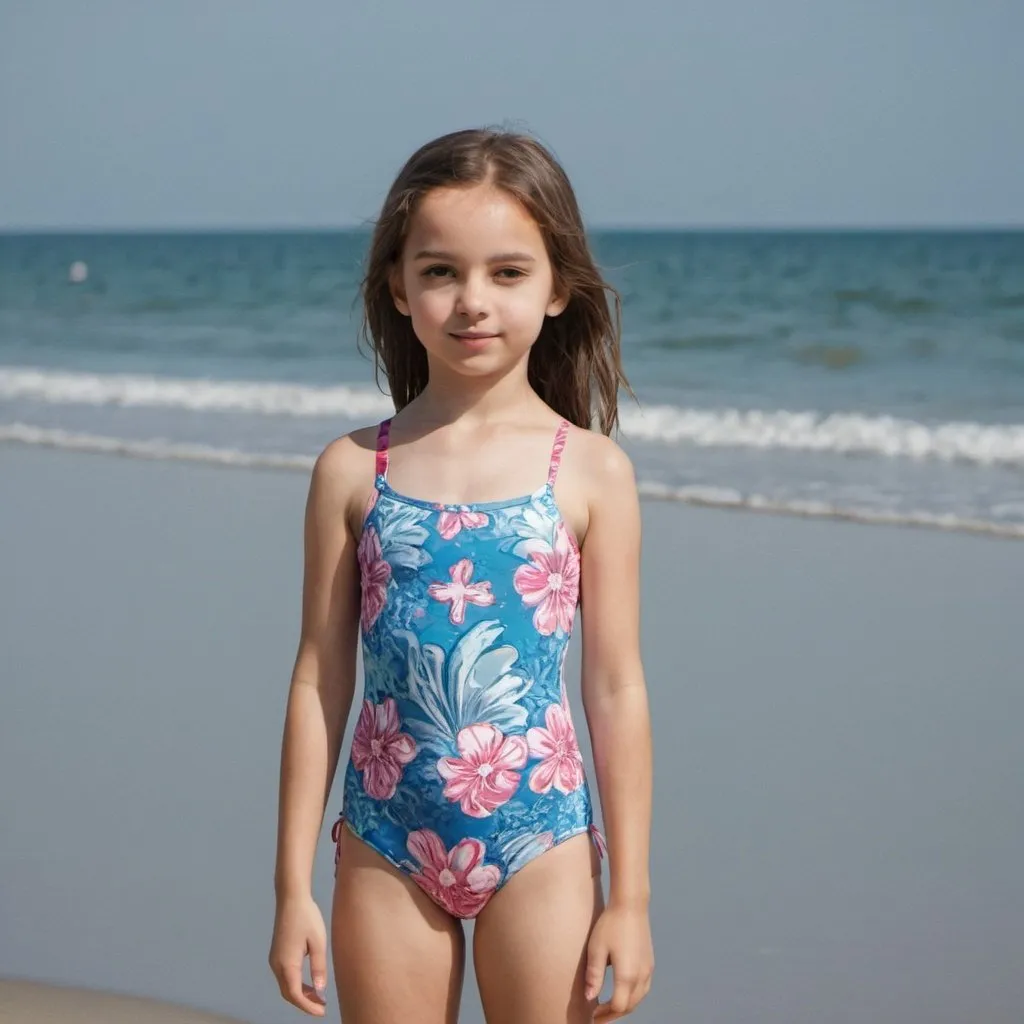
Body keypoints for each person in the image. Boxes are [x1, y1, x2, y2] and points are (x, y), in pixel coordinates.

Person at [269, 128, 654, 1023]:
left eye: (507, 273)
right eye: (440, 271)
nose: (472, 301)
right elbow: (319, 681)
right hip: (385, 840)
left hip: (544, 838)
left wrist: (630, 898)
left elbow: (616, 686)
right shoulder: (352, 470)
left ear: (559, 287)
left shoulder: (591, 471)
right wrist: (292, 886)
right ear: (398, 287)